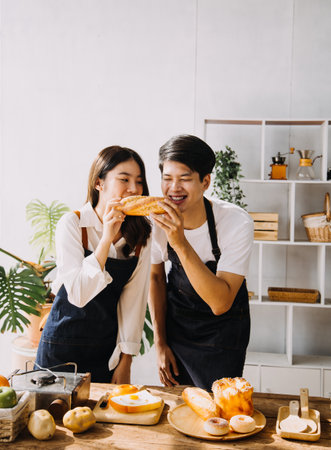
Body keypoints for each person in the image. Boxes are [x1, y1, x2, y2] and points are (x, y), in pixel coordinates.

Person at [35, 146, 152, 383]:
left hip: (103, 351)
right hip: (59, 346)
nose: (133, 189)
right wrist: (107, 238)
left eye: (139, 181)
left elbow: (134, 302)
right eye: (124, 179)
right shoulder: (73, 224)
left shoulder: (141, 236)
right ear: (99, 183)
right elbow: (78, 294)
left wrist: (126, 361)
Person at [149, 134, 254, 390]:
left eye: (184, 179)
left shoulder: (235, 222)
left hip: (222, 334)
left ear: (205, 181)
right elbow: (155, 278)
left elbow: (221, 302)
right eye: (167, 179)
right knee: (178, 407)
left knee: (218, 406)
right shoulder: (155, 220)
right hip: (177, 328)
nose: (174, 188)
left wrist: (180, 242)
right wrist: (160, 343)